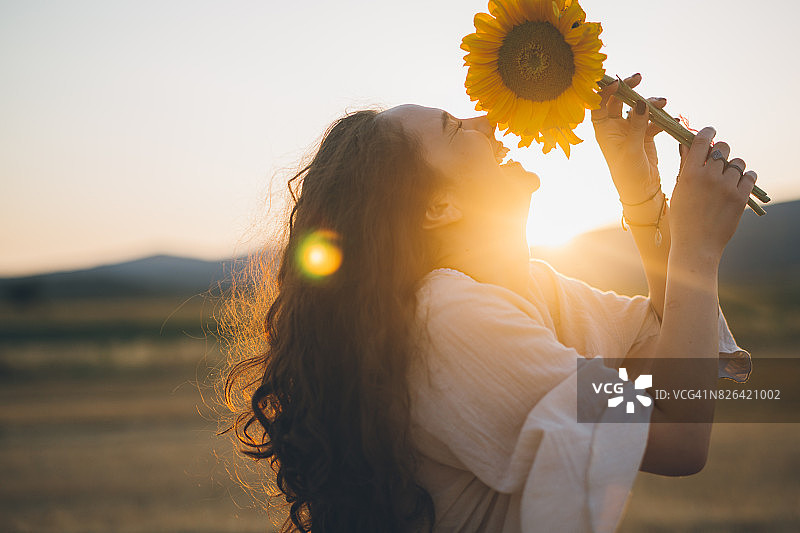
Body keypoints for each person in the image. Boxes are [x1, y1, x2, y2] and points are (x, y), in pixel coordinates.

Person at [220, 74, 754, 533]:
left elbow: (668, 355)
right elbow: (678, 432)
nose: (487, 121)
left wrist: (640, 194)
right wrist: (698, 249)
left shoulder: (535, 292)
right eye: (456, 128)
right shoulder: (448, 320)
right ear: (440, 205)